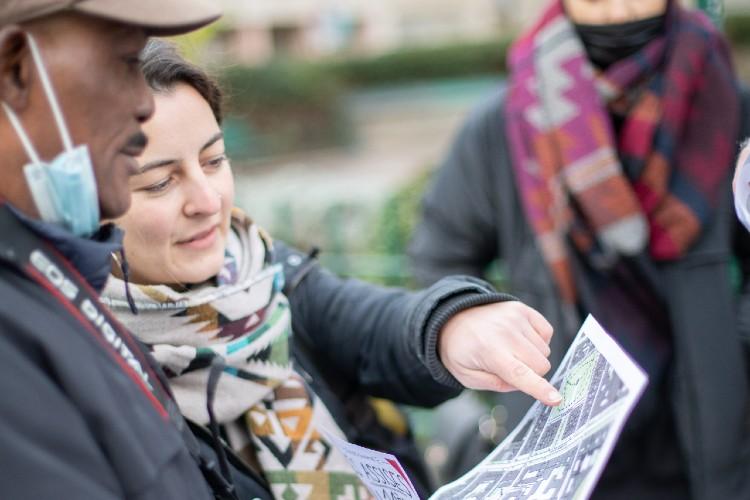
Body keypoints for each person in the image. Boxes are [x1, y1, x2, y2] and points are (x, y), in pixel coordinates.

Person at [101, 39, 563, 500]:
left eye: (214, 160)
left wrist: (452, 322)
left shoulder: (263, 276)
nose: (207, 200)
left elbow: (372, 325)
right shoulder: (83, 371)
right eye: (160, 182)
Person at [408, 0, 750, 499]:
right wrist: (499, 362)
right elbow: (439, 261)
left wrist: (735, 344)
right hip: (564, 431)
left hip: (713, 429)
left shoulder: (732, 108)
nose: (617, 11)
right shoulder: (502, 126)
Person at [0, 2, 231, 499]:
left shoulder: (46, 277)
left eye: (215, 160)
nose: (144, 105)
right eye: (125, 62)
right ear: (15, 68)